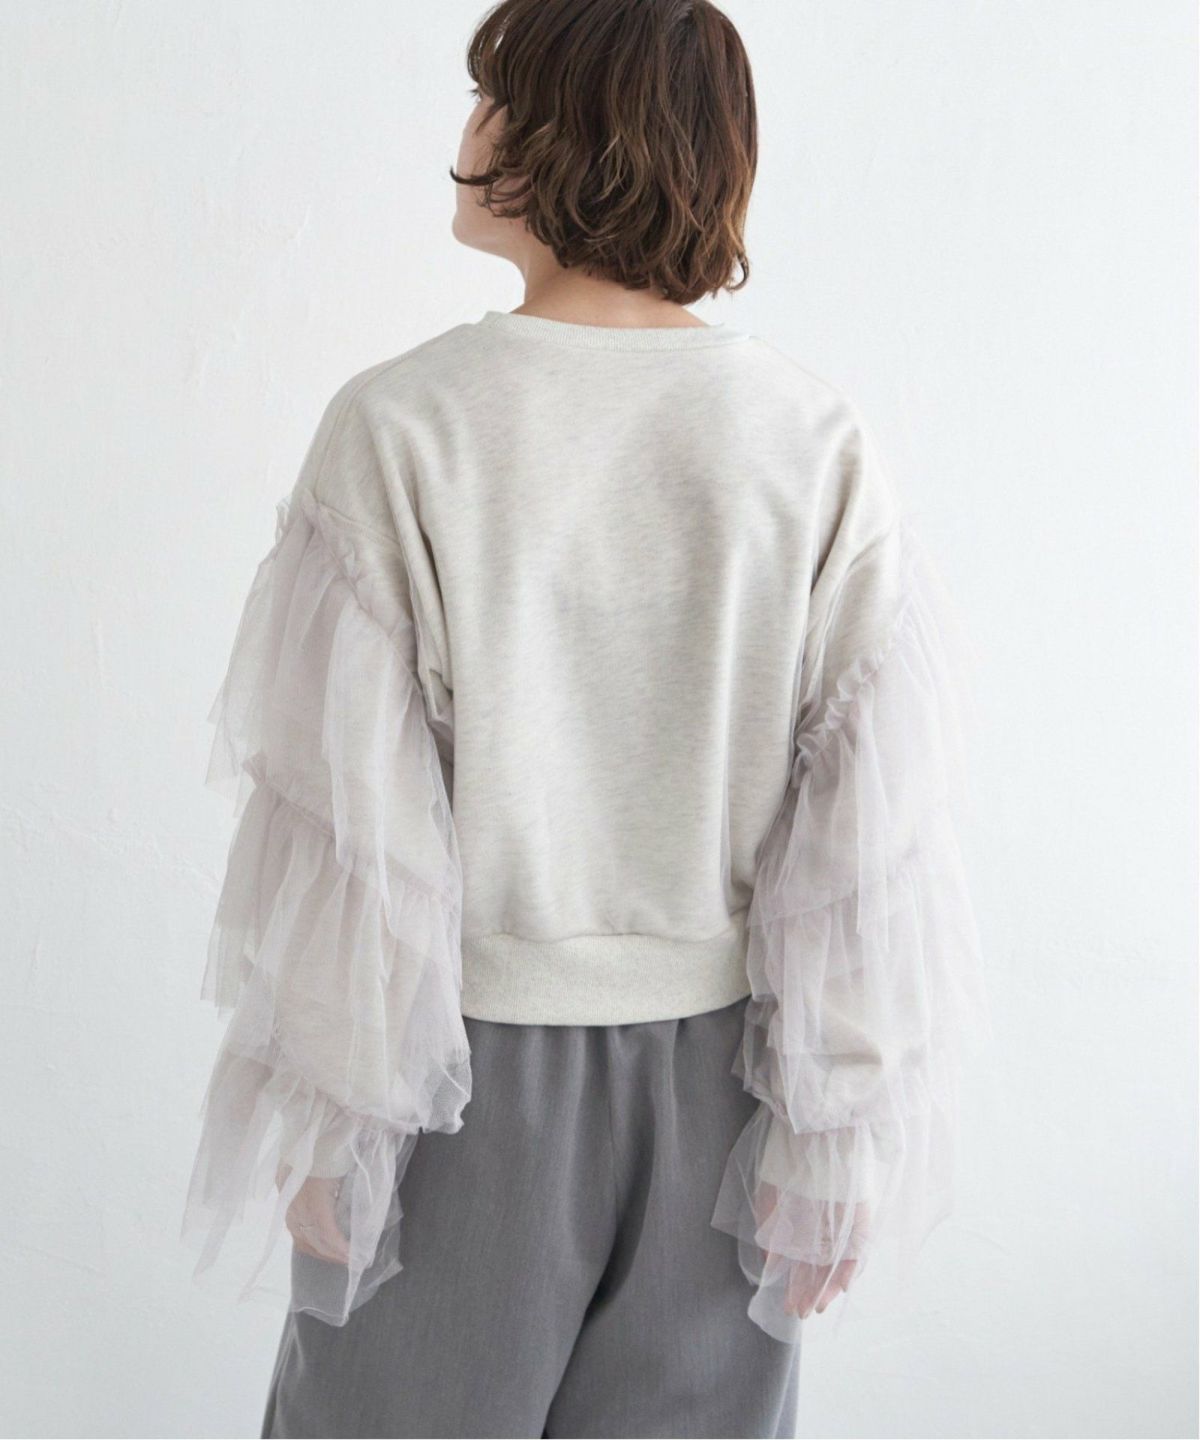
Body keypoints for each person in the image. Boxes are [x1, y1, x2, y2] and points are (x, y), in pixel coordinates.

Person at [181, 1, 991, 1435]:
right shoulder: (811, 440)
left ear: (570, 134)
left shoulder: (404, 426)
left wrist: (332, 1108)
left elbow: (353, 820)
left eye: (496, 93)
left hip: (452, 1084)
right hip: (730, 1086)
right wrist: (835, 1125)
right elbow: (867, 829)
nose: (469, 128)